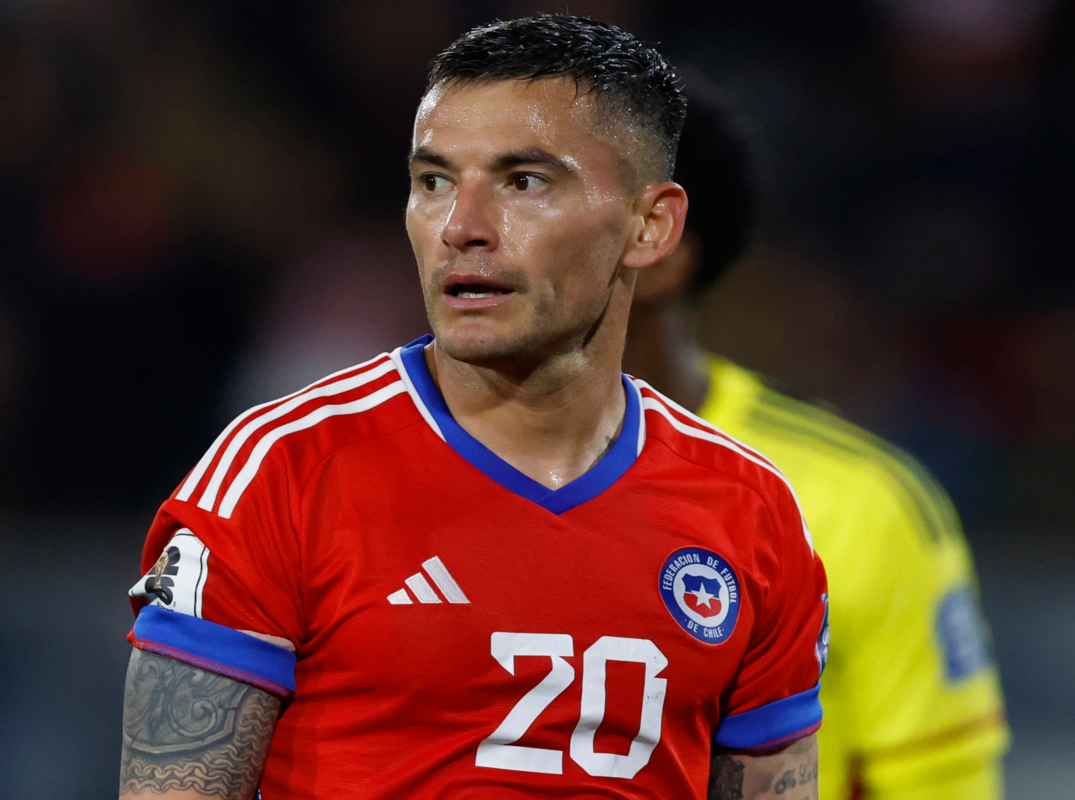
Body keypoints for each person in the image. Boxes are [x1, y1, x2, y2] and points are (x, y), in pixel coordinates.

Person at [118, 16, 828, 800]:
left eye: (524, 182)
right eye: (435, 182)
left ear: (649, 224)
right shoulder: (282, 473)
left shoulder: (750, 513)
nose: (462, 228)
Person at [623, 94, 1010, 800]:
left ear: (662, 250)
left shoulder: (857, 501)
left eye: (534, 193)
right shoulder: (379, 463)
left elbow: (939, 783)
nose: (475, 229)